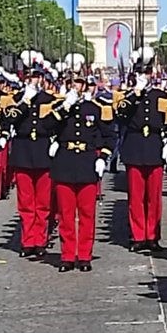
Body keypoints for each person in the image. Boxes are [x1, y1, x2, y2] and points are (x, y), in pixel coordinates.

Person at [44, 73, 113, 272]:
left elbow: (109, 135)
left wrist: (103, 157)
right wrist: (65, 106)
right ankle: (67, 255)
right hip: (65, 163)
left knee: (87, 214)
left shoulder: (95, 108)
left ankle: (84, 255)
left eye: (80, 83)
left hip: (86, 161)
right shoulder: (61, 107)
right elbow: (46, 125)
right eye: (73, 83)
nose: (77, 86)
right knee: (65, 214)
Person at [3, 65, 56, 260]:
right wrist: (25, 100)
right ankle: (27, 240)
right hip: (23, 151)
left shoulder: (48, 100)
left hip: (42, 150)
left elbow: (54, 123)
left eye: (37, 76)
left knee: (42, 203)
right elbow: (10, 119)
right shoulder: (16, 99)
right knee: (25, 202)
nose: (34, 80)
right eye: (30, 76)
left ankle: (40, 240)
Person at [116, 69, 167, 252]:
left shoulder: (159, 95)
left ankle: (152, 235)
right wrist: (135, 93)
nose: (144, 76)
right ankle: (138, 235)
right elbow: (120, 112)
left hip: (154, 145)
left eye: (146, 72)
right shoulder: (129, 95)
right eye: (141, 72)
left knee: (154, 196)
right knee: (136, 196)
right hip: (135, 146)